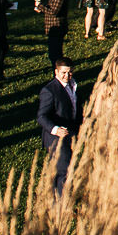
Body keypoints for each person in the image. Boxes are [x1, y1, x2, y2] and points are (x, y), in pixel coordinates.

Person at [36, 58, 86, 194]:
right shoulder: (49, 90)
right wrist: (55, 129)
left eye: (70, 73)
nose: (67, 76)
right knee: (62, 171)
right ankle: (59, 205)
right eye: (63, 73)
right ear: (56, 72)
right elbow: (41, 116)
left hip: (72, 133)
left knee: (69, 168)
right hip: (56, 138)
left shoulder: (73, 86)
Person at [36, 0, 69, 66]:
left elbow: (54, 11)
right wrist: (42, 10)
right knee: (54, 54)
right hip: (54, 29)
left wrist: (40, 6)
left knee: (55, 55)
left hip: (57, 29)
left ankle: (57, 74)